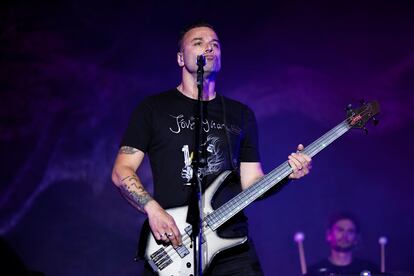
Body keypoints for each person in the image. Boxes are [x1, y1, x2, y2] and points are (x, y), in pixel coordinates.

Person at [111, 21, 312, 275]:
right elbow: (122, 170)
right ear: (180, 58)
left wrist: (287, 176)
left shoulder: (241, 114)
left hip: (232, 244)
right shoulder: (153, 109)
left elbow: (252, 183)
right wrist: (153, 209)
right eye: (198, 43)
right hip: (174, 240)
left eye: (215, 44)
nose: (209, 48)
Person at [306, 213, 379, 276]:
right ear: (329, 235)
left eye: (350, 231)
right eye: (340, 230)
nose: (345, 236)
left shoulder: (370, 270)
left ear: (356, 239)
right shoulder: (315, 272)